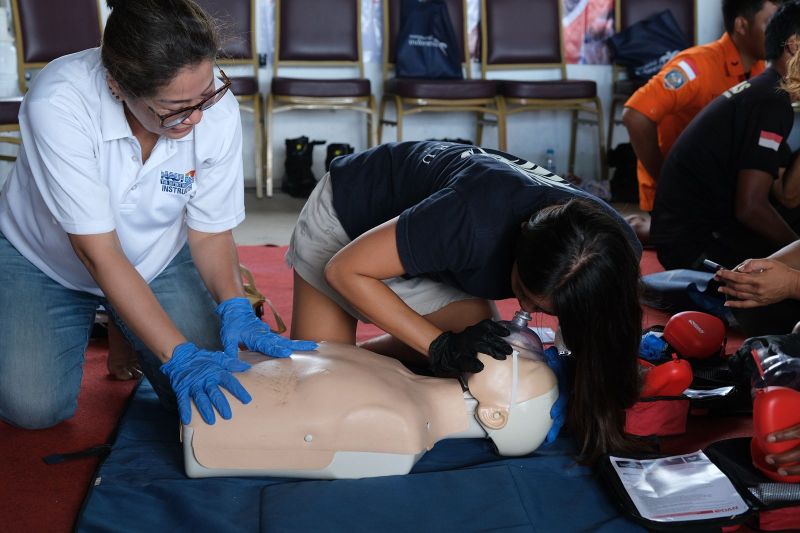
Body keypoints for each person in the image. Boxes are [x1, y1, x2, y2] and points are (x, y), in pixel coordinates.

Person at [0, 0, 315, 431]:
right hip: (47, 261)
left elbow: (209, 233)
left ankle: (124, 322)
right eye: (175, 107)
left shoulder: (211, 108)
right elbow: (99, 253)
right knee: (35, 411)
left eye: (206, 94)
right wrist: (177, 355)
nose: (198, 116)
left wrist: (234, 305)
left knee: (222, 397)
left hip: (155, 257)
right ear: (117, 86)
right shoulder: (59, 101)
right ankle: (111, 317)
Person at [286, 141, 644, 462]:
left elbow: (604, 333)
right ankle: (354, 354)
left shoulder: (611, 249)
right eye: (523, 293)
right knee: (319, 382)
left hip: (429, 237)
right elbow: (345, 270)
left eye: (547, 310)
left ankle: (366, 354)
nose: (527, 312)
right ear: (517, 245)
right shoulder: (472, 220)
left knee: (483, 356)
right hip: (348, 220)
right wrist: (438, 345)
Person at [182, 340, 558, 479]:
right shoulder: (396, 371)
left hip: (201, 412)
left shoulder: (399, 427)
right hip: (208, 377)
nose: (508, 352)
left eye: (518, 366)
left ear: (495, 415)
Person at [650, 0, 800, 274]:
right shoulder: (771, 101)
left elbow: (786, 195)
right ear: (794, 44)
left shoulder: (766, 89)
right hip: (692, 248)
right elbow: (750, 208)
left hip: (686, 233)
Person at [622, 0, 778, 239]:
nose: (777, 33)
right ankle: (653, 230)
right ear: (741, 25)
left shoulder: (760, 70)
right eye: (769, 23)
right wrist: (668, 181)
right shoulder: (696, 66)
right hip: (681, 197)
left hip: (718, 190)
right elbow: (635, 115)